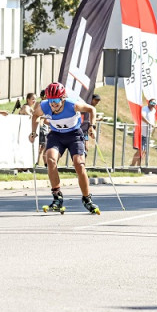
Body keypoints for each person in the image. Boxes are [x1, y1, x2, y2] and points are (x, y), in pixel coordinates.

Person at [29, 82, 100, 214]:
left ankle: (87, 199)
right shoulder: (44, 106)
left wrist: (92, 126)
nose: (53, 104)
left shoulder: (73, 105)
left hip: (74, 135)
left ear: (62, 98)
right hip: (56, 136)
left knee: (79, 164)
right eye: (50, 100)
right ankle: (57, 197)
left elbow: (92, 109)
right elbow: (35, 115)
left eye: (56, 100)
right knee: (50, 159)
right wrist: (33, 132)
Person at [130, 98, 157, 166]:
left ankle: (138, 166)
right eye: (152, 103)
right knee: (140, 150)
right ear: (148, 103)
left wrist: (154, 125)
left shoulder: (154, 111)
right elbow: (141, 116)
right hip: (139, 133)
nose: (153, 105)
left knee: (144, 151)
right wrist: (149, 123)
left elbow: (152, 120)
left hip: (147, 134)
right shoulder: (144, 109)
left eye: (154, 104)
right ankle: (132, 165)